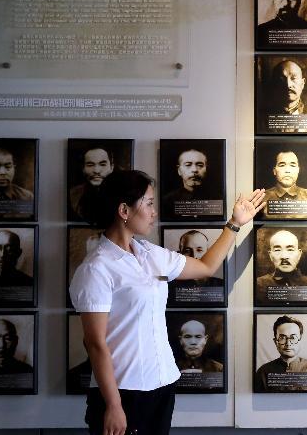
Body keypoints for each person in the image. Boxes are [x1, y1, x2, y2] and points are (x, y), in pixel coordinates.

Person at [70, 169, 264, 435]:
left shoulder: (150, 254)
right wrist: (113, 406)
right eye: (148, 204)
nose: (154, 212)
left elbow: (206, 266)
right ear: (124, 211)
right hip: (124, 392)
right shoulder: (96, 268)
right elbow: (94, 342)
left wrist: (235, 223)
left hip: (162, 384)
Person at [254, 315, 307, 392]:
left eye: (293, 338)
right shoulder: (263, 372)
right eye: (282, 338)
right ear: (275, 342)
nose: (288, 343)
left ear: (300, 340)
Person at [255, 229, 307, 297]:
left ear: (299, 254)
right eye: (277, 250)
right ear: (270, 255)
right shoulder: (259, 284)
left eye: (290, 250)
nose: (284, 256)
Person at [262, 150, 307, 219]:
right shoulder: (262, 199)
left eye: (292, 165)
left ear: (298, 170)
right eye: (282, 165)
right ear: (274, 171)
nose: (287, 170)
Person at [70, 147, 116, 222]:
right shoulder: (73, 194)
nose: (96, 171)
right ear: (83, 169)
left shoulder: (123, 195)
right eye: (90, 165)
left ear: (111, 167)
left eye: (102, 164)